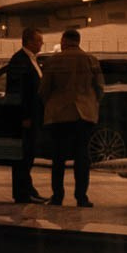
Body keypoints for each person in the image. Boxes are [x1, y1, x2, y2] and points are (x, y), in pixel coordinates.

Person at [40, 27, 104, 208]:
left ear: (64, 41)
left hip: (59, 115)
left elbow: (44, 89)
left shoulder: (53, 61)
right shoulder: (91, 60)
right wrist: (91, 103)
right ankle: (81, 197)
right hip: (84, 115)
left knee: (58, 158)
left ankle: (57, 196)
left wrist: (50, 104)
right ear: (78, 41)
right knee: (82, 157)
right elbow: (100, 88)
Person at [8, 27, 46, 205]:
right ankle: (22, 192)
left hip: (34, 116)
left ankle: (28, 189)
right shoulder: (19, 60)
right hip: (26, 118)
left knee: (29, 155)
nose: (41, 44)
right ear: (29, 41)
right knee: (23, 156)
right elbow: (19, 91)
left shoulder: (31, 59)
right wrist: (24, 116)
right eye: (39, 40)